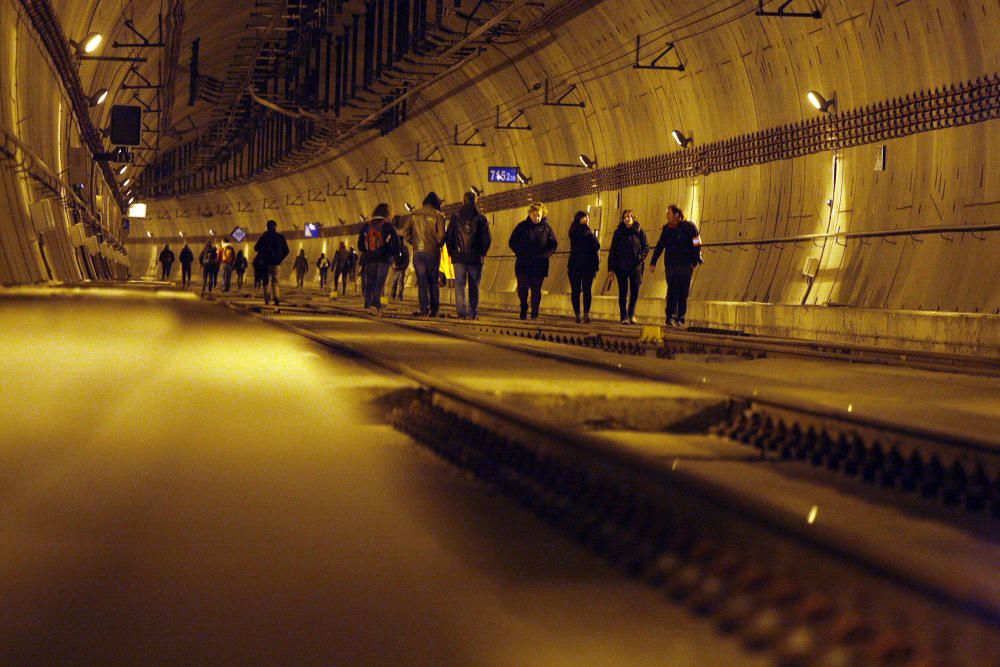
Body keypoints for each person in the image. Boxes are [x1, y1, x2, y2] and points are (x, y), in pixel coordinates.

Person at [650, 204, 702, 327]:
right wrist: (653, 261)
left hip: (685, 265)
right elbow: (660, 246)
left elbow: (697, 244)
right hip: (671, 266)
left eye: (669, 213)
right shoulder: (666, 229)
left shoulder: (690, 227)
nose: (667, 216)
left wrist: (694, 262)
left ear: (677, 215)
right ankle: (670, 316)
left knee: (683, 292)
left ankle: (681, 317)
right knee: (672, 291)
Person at [446, 191, 492, 320]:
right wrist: (482, 253)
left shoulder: (456, 217)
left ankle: (461, 312)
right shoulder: (481, 218)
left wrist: (451, 252)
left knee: (459, 286)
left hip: (459, 258)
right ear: (475, 201)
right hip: (475, 258)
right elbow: (487, 238)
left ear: (463, 201)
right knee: (474, 286)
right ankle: (472, 313)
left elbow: (449, 235)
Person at [508, 202, 558, 320]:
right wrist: (519, 252)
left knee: (536, 289)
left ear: (542, 215)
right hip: (523, 263)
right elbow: (512, 242)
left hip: (539, 264)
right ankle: (523, 306)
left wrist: (546, 254)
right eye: (534, 215)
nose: (536, 218)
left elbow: (553, 244)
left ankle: (535, 311)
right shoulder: (522, 227)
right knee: (523, 288)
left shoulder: (546, 228)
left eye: (539, 216)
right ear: (530, 214)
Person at [400, 192, 446, 316]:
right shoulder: (439, 215)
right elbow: (441, 236)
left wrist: (414, 242)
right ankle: (434, 310)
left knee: (422, 281)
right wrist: (438, 244)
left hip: (418, 252)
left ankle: (423, 309)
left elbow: (405, 232)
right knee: (433, 281)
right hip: (433, 252)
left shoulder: (414, 214)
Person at [608, 209, 649, 325]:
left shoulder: (639, 231)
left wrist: (640, 257)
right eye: (624, 217)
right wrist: (611, 268)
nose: (627, 218)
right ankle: (623, 316)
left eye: (629, 216)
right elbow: (613, 250)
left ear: (633, 218)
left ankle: (631, 314)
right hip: (621, 266)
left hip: (636, 265)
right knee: (623, 291)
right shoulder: (618, 232)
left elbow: (646, 246)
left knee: (635, 290)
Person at [357, 203, 400, 314]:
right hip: (384, 260)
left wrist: (367, 252)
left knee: (370, 282)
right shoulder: (388, 226)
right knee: (379, 283)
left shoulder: (367, 225)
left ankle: (367, 304)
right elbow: (396, 243)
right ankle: (376, 304)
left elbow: (360, 245)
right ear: (387, 213)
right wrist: (390, 254)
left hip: (370, 260)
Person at [567, 210, 600, 323]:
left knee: (587, 290)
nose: (586, 219)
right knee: (576, 290)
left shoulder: (589, 231)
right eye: (584, 217)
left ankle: (586, 313)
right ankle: (577, 314)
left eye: (587, 217)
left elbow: (597, 245)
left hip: (588, 266)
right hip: (575, 265)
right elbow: (580, 241)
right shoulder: (574, 231)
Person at [254, 219, 290, 306]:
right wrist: (280, 258)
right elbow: (287, 250)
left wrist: (263, 251)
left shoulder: (265, 237)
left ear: (267, 227)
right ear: (275, 227)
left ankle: (267, 300)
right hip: (277, 263)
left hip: (266, 263)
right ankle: (276, 297)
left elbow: (256, 248)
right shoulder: (281, 237)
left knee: (266, 282)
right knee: (276, 281)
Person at [389, 237, 410, 301]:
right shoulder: (404, 248)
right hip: (399, 268)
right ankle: (397, 296)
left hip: (397, 267)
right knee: (398, 283)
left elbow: (391, 257)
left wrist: (392, 265)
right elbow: (407, 258)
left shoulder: (396, 248)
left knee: (396, 283)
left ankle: (395, 296)